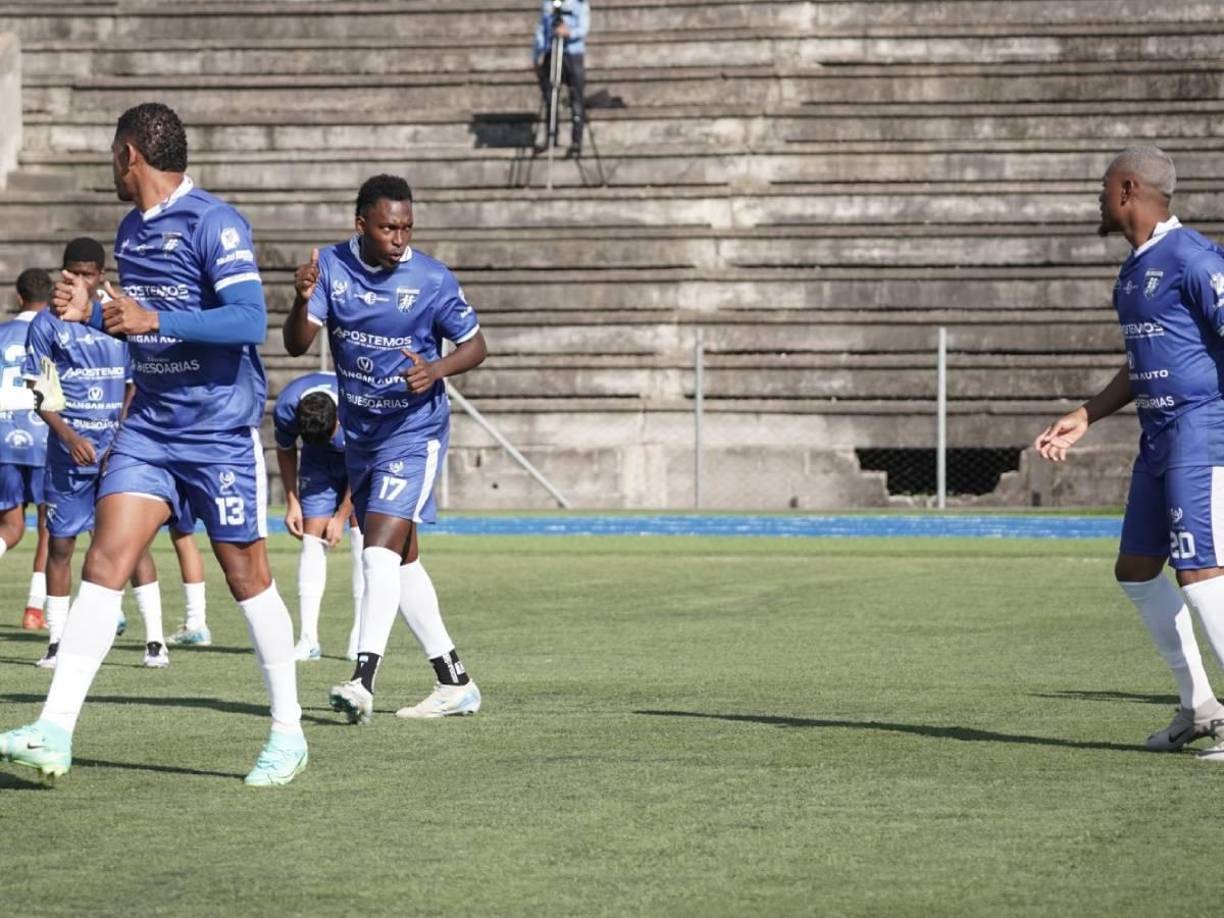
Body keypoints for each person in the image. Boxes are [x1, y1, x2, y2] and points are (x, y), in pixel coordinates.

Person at [0, 102, 305, 786]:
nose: (111, 167)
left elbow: (249, 321)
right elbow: (139, 328)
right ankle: (54, 729)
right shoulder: (131, 230)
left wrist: (153, 316)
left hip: (217, 431)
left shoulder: (215, 222)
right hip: (148, 429)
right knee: (105, 559)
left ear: (128, 154)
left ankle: (288, 732)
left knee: (246, 577)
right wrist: (95, 317)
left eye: (113, 155)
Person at [1035, 146, 1224, 759]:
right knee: (1137, 570)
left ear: (1128, 189)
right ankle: (1199, 708)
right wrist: (1086, 414)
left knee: (1199, 570)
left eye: (1104, 187)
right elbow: (1146, 358)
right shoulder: (1134, 268)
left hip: (1202, 431)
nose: (1099, 197)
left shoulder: (1194, 258)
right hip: (1158, 436)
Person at [283, 173, 487, 724]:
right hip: (362, 437)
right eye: (388, 228)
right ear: (361, 226)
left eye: (407, 227)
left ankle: (362, 679)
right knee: (404, 562)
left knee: (376, 553)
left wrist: (436, 370)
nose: (399, 238)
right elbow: (297, 344)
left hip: (414, 433)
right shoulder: (330, 268)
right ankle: (455, 683)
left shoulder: (431, 279)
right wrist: (300, 300)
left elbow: (476, 345)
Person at [25, 237, 209, 670]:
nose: (81, 280)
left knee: (133, 543)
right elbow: (40, 393)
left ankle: (155, 641)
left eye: (89, 274)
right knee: (60, 546)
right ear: (63, 273)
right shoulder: (47, 324)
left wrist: (123, 437)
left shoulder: (117, 315)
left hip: (119, 453)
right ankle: (56, 641)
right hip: (68, 454)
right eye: (74, 273)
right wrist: (69, 438)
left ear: (101, 275)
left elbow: (137, 384)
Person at [273, 371, 364, 662]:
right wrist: (292, 501)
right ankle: (308, 639)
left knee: (360, 535)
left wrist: (341, 516)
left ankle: (361, 637)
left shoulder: (357, 404)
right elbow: (286, 450)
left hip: (360, 458)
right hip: (317, 464)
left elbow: (365, 466)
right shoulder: (286, 409)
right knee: (312, 537)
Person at [0, 269, 51, 632]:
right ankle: (35, 609)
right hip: (45, 435)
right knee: (51, 526)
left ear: (19, 298)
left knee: (11, 527)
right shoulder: (55, 332)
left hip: (2, 435)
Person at [533, 0, 589, 157]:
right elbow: (541, 29)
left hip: (573, 54)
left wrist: (568, 32)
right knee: (550, 96)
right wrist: (536, 55)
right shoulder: (548, 4)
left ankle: (576, 140)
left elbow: (583, 28)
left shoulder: (580, 4)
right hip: (551, 52)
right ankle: (551, 135)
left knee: (576, 96)